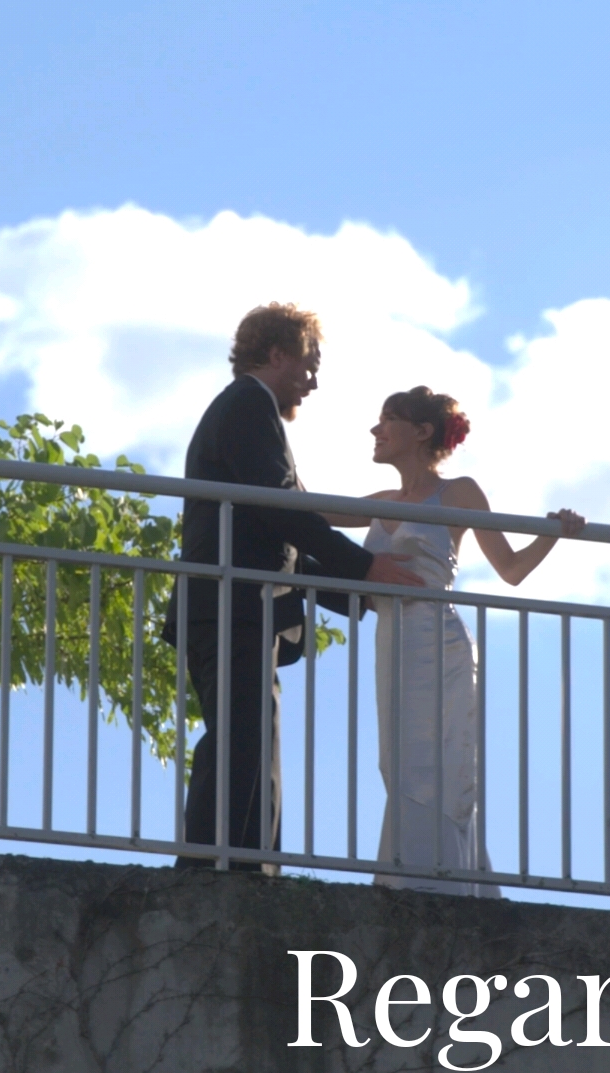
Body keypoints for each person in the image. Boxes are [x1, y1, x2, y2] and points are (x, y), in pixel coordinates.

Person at [167, 304, 423, 871]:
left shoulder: (251, 414)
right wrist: (364, 572)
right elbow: (282, 507)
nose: (313, 380)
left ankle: (247, 868)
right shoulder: (246, 407)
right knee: (243, 739)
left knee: (251, 738)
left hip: (239, 606)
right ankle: (222, 873)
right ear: (277, 353)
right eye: (310, 364)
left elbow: (284, 527)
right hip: (231, 606)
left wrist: (363, 589)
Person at [323, 386, 585, 895]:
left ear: (422, 433)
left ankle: (437, 885)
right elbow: (301, 508)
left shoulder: (459, 493)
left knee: (437, 762)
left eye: (388, 420)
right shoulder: (379, 503)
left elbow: (509, 570)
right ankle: (413, 874)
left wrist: (551, 532)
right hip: (392, 644)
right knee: (396, 761)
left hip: (438, 643)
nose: (376, 431)